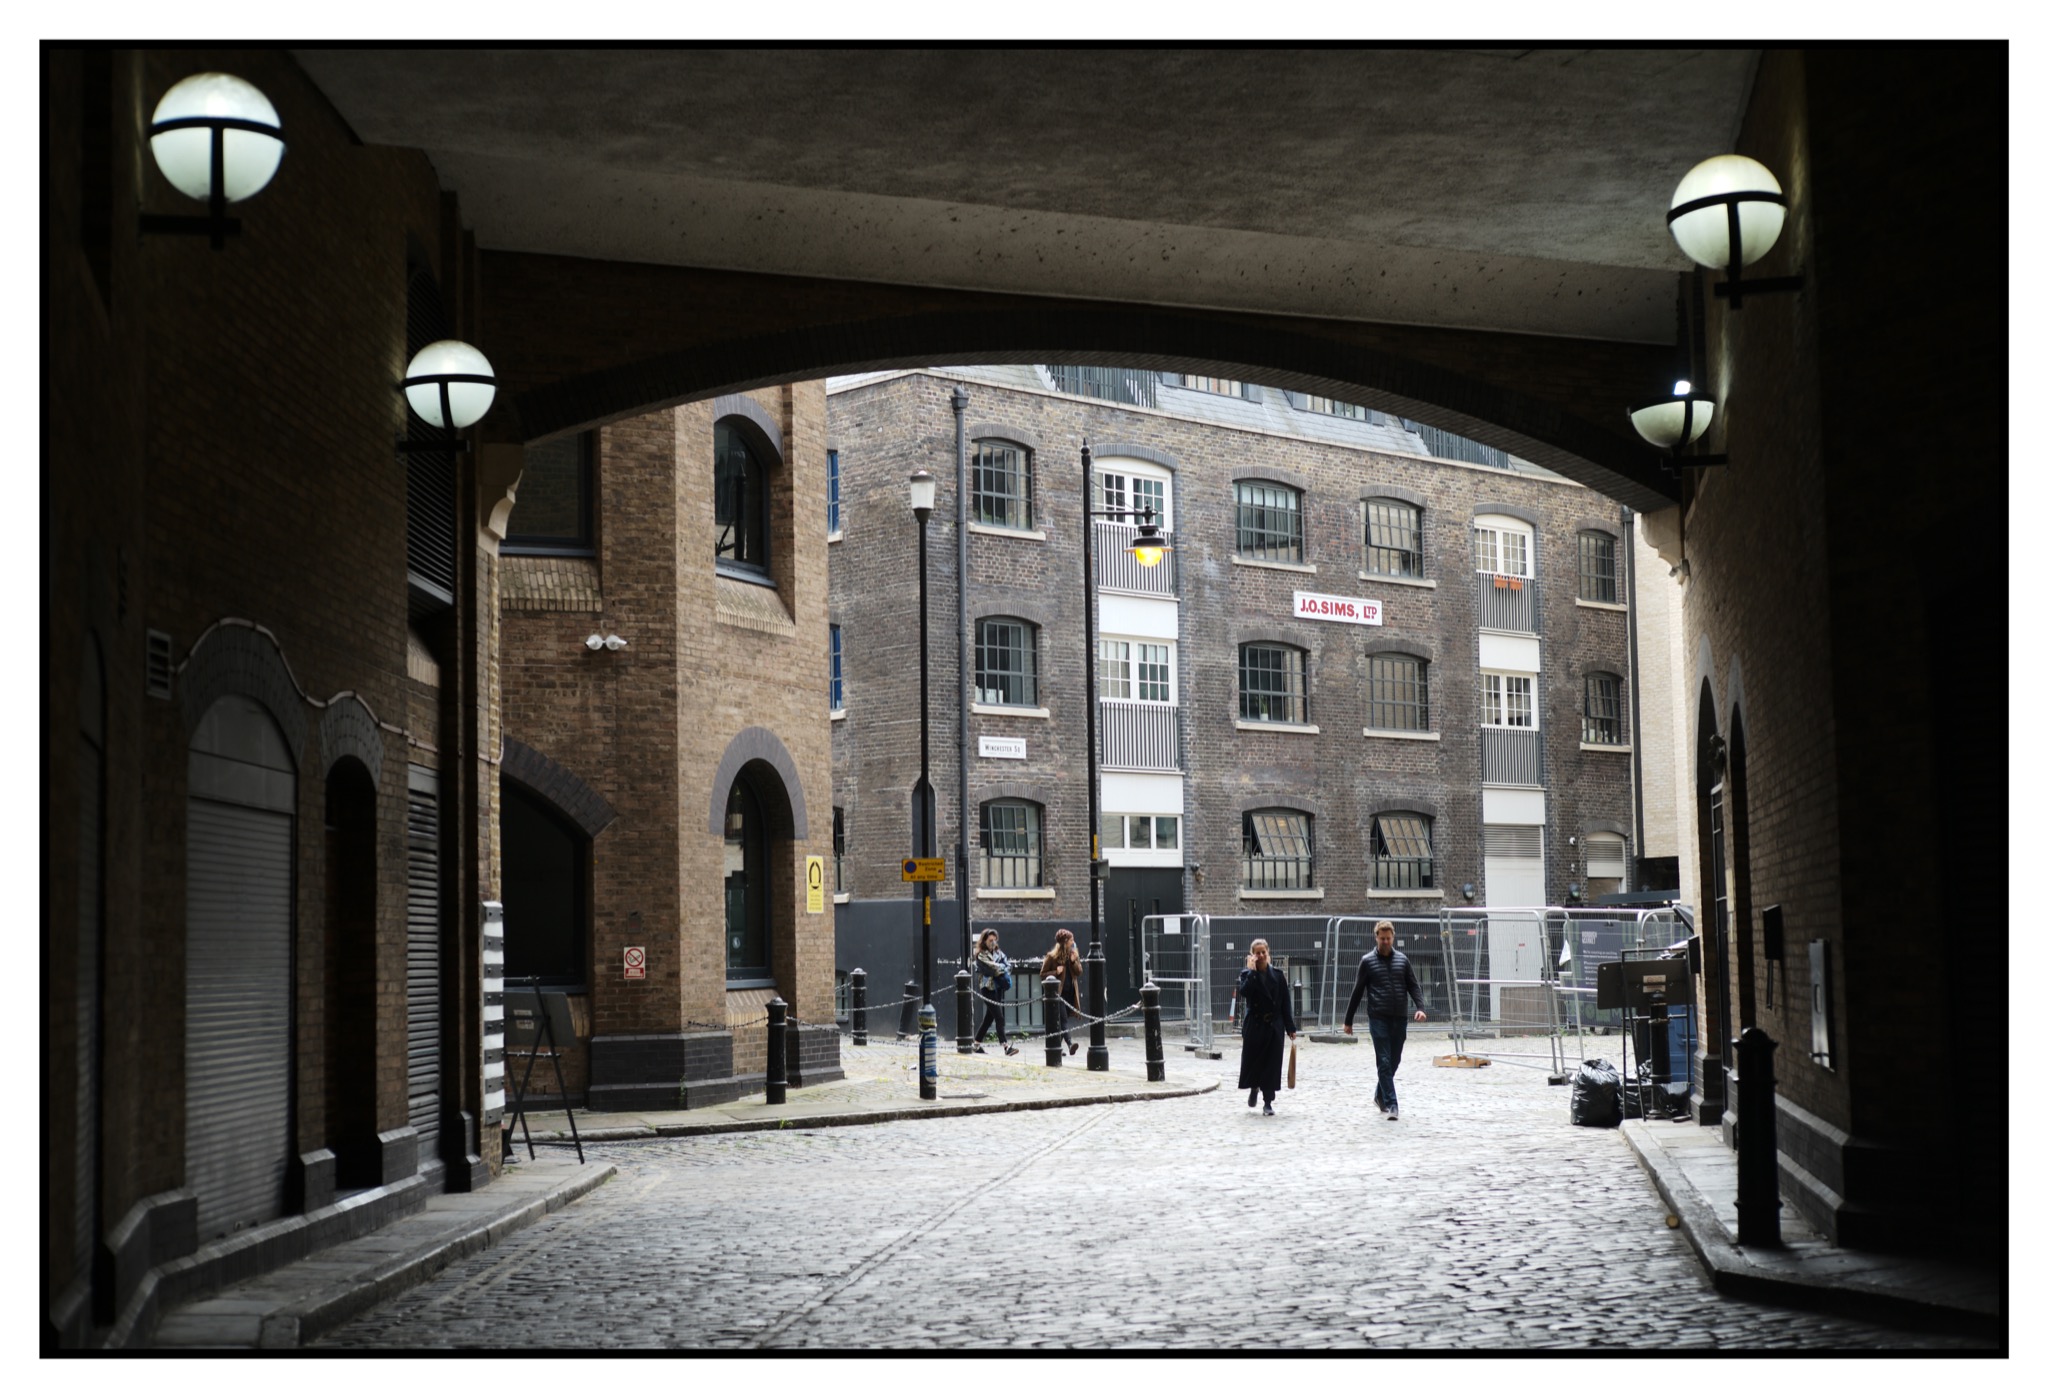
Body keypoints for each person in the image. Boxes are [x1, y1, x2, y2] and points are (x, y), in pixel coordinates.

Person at [1343, 919, 1428, 1120]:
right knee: (1383, 1061)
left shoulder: (1402, 960)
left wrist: (1420, 1008)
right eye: (1382, 939)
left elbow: (1413, 985)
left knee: (1394, 1060)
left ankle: (1379, 1095)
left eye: (1388, 938)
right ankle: (1392, 1105)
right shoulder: (1367, 962)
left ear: (1393, 937)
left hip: (1400, 1017)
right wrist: (1348, 1020)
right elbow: (1357, 991)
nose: (1386, 942)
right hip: (1378, 1017)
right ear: (1376, 938)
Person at [1235, 939, 1297, 1116]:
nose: (1261, 955)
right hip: (1255, 1026)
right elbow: (1245, 992)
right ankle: (1254, 1088)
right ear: (1252, 955)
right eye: (1257, 953)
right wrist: (1252, 972)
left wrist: (1290, 1027)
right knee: (1255, 1062)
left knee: (1272, 1065)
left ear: (1268, 953)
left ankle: (1268, 1102)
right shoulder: (1246, 974)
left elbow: (1285, 1002)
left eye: (1264, 952)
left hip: (1273, 1026)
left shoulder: (1278, 975)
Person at [972, 928, 1019, 1056]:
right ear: (984, 941)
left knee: (989, 1018)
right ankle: (1006, 1047)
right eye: (990, 940)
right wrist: (1000, 968)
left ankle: (976, 1045)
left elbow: (1008, 966)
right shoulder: (981, 955)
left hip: (998, 987)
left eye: (994, 940)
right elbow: (991, 968)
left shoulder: (999, 952)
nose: (993, 942)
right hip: (987, 988)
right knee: (999, 1017)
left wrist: (999, 968)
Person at [1041, 928, 1084, 1056]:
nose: (1073, 942)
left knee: (1061, 1022)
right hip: (1058, 994)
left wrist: (1073, 961)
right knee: (1063, 1020)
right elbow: (1042, 974)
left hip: (1070, 994)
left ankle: (1056, 1049)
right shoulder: (1052, 957)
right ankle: (1070, 1044)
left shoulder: (1073, 955)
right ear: (1065, 942)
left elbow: (1079, 972)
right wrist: (1056, 972)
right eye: (1071, 940)